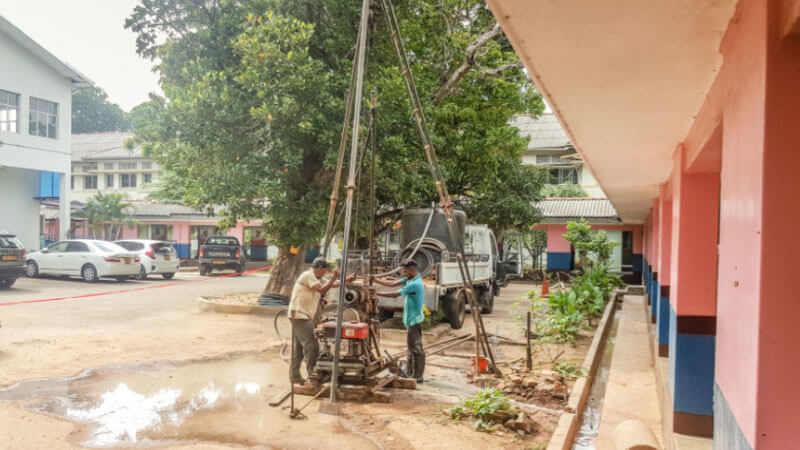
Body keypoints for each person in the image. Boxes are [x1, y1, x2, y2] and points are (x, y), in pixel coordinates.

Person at [374, 259, 426, 383]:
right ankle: (410, 373)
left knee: (416, 348)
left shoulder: (415, 284)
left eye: (405, 270)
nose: (403, 272)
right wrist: (375, 280)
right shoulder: (410, 279)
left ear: (412, 270)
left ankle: (417, 376)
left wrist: (375, 293)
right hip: (411, 319)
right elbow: (392, 284)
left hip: (414, 320)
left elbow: (394, 294)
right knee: (411, 347)